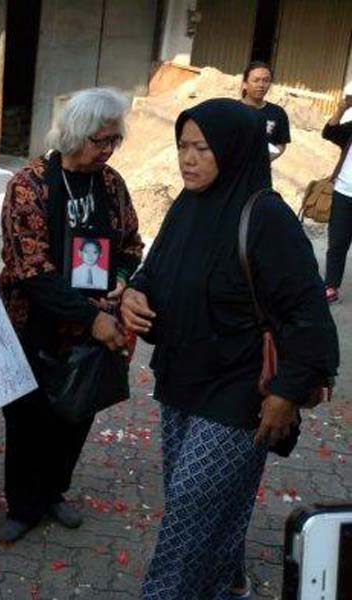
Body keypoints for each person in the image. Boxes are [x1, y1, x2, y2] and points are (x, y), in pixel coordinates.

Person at [120, 98, 339, 599]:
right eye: (182, 146)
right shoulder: (187, 206)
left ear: (235, 151)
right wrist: (134, 293)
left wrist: (285, 392)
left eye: (202, 147)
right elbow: (155, 273)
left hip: (240, 392)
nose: (188, 159)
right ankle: (224, 582)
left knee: (191, 506)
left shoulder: (267, 219)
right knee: (213, 499)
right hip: (183, 380)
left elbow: (308, 316)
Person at [0, 87, 143, 543]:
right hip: (32, 323)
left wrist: (121, 275)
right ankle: (24, 505)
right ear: (76, 134)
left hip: (92, 329)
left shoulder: (112, 184)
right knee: (26, 419)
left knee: (76, 413)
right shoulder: (30, 184)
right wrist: (90, 317)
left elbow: (132, 243)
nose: (108, 150)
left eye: (114, 141)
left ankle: (55, 491)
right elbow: (31, 268)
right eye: (101, 140)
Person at [322, 85, 352, 304]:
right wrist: (341, 109)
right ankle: (331, 286)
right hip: (344, 192)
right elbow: (329, 132)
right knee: (338, 242)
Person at [240, 61, 290, 161]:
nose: (261, 85)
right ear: (245, 84)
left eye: (266, 81)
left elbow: (281, 143)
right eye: (256, 80)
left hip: (260, 174)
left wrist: (264, 160)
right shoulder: (231, 110)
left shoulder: (278, 113)